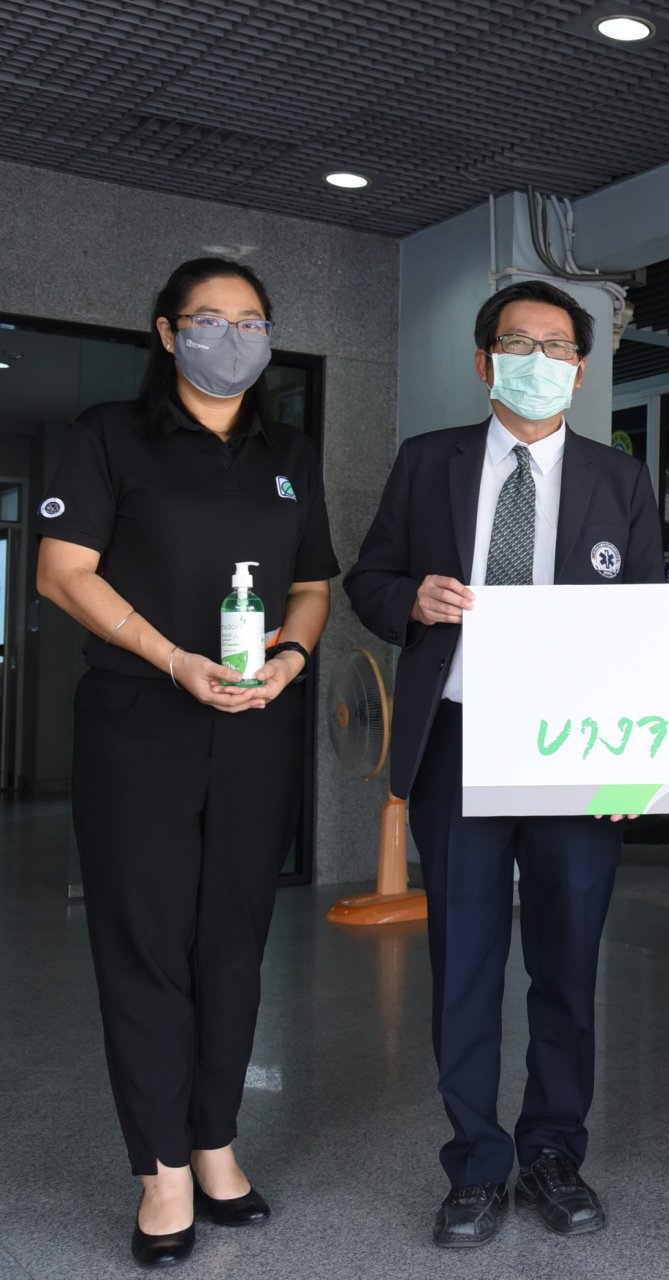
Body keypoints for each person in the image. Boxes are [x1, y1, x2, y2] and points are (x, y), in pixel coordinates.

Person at [344, 280, 664, 1248]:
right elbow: (368, 578)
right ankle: (477, 1164)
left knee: (568, 960)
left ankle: (554, 1149)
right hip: (461, 739)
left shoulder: (620, 480)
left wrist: (636, 762)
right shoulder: (426, 461)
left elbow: (651, 629)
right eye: (518, 343)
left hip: (577, 751)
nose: (538, 360)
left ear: (581, 367)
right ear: (485, 362)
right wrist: (413, 601)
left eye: (556, 346)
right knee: (465, 962)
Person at [36, 258, 337, 1268]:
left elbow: (311, 586)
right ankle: (161, 1167)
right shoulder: (107, 437)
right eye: (209, 319)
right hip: (139, 722)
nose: (232, 338)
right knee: (147, 945)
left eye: (251, 321)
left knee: (234, 945)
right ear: (167, 333)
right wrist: (171, 658)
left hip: (256, 725)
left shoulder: (290, 452)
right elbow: (62, 572)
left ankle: (215, 1143)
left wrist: (291, 661)